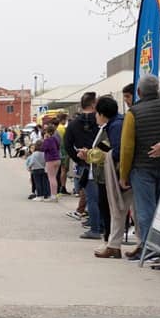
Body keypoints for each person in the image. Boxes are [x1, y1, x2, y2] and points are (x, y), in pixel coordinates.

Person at [119, 74, 160, 260]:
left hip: (142, 167)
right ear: (158, 89)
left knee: (145, 210)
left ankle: (148, 247)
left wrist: (123, 174)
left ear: (138, 91)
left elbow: (127, 147)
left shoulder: (133, 113)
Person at [92, 96, 129, 258]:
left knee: (119, 210)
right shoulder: (118, 122)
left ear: (102, 113)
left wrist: (101, 155)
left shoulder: (115, 126)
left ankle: (114, 245)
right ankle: (114, 245)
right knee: (120, 210)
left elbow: (118, 151)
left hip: (123, 174)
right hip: (125, 173)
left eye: (97, 113)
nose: (95, 116)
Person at [64, 92, 99, 229]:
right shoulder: (99, 120)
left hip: (83, 163)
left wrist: (77, 158)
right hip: (101, 161)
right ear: (93, 104)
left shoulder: (73, 124)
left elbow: (67, 145)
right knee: (101, 196)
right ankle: (99, 224)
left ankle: (93, 223)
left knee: (90, 196)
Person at [40, 123, 61, 202]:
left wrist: (44, 139)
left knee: (51, 178)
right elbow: (58, 146)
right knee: (54, 178)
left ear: (47, 131)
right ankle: (55, 195)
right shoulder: (55, 139)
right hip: (57, 159)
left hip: (50, 160)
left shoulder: (47, 140)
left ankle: (53, 196)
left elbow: (42, 148)